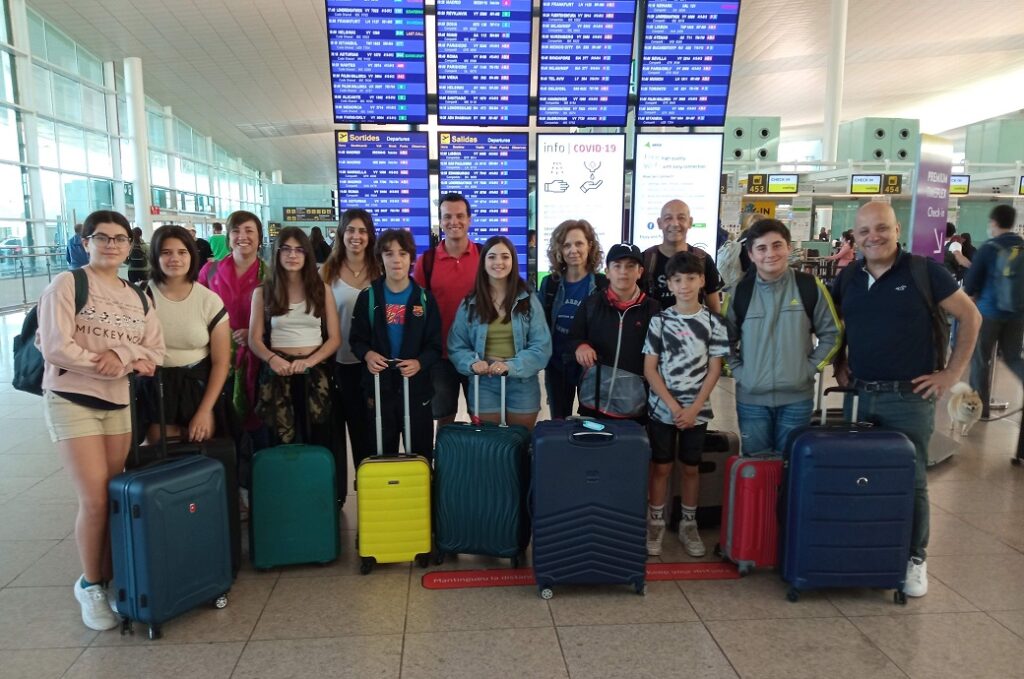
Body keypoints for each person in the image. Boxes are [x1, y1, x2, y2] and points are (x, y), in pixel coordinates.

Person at [831, 201, 980, 598]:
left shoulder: (924, 272)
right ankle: (868, 551)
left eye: (881, 228)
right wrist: (840, 361)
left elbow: (971, 317)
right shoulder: (849, 277)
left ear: (897, 230)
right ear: (855, 237)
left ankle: (915, 558)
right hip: (860, 394)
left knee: (911, 482)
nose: (873, 237)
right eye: (864, 231)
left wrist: (951, 374)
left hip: (909, 398)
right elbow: (837, 323)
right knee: (861, 476)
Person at [36, 210, 164, 631]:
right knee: (93, 501)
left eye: (119, 238)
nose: (111, 245)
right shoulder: (67, 284)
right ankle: (90, 585)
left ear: (130, 246)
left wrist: (121, 356)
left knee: (113, 497)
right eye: (102, 237)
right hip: (72, 400)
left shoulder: (138, 297)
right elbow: (55, 346)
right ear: (85, 242)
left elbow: (155, 352)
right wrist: (110, 363)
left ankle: (110, 575)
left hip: (118, 403)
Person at [725, 219, 842, 455]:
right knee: (755, 465)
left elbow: (832, 333)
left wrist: (809, 369)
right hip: (752, 401)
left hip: (797, 400)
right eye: (761, 248)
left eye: (777, 245)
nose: (770, 254)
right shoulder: (740, 292)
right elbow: (722, 341)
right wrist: (740, 372)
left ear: (788, 247)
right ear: (751, 255)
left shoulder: (810, 287)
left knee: (792, 464)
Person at [643, 251, 729, 557]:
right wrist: (673, 406)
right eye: (678, 280)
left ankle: (688, 523)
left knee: (691, 468)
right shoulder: (660, 320)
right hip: (662, 409)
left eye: (691, 278)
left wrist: (693, 409)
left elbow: (715, 369)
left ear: (702, 280)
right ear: (669, 284)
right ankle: (655, 522)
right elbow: (650, 369)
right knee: (661, 467)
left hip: (697, 411)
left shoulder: (714, 322)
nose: (685, 285)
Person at [248, 227, 340, 459]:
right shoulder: (263, 292)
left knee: (318, 438)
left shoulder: (321, 290)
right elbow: (254, 339)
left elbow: (334, 338)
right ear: (277, 253)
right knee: (280, 440)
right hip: (278, 373)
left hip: (315, 373)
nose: (292, 255)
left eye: (299, 250)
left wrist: (310, 361)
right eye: (286, 249)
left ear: (307, 254)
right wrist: (272, 359)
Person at [350, 229, 442, 458]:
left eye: (402, 253)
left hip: (416, 389)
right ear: (380, 258)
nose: (396, 260)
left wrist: (419, 363)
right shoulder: (368, 297)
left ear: (411, 258)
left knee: (420, 454)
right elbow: (357, 340)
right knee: (381, 452)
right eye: (389, 253)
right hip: (380, 388)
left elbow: (435, 346)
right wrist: (368, 355)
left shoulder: (424, 299)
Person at [138, 225, 230, 444]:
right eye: (166, 252)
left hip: (197, 389)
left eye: (182, 252)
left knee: (200, 449)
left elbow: (221, 362)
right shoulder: (139, 295)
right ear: (155, 256)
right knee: (160, 451)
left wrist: (205, 410)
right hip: (155, 389)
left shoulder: (209, 300)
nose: (175, 259)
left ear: (192, 256)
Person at [448, 236, 551, 430]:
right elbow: (456, 345)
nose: (499, 262)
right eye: (492, 257)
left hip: (523, 382)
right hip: (484, 382)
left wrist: (511, 366)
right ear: (483, 262)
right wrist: (471, 363)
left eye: (505, 256)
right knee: (489, 443)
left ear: (513, 261)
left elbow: (541, 346)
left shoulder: (528, 300)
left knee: (521, 441)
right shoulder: (470, 302)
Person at [569, 243, 661, 421]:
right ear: (607, 272)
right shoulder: (591, 304)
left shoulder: (653, 309)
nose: (623, 272)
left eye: (630, 266)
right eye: (617, 266)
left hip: (635, 406)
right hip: (593, 402)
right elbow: (574, 336)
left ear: (640, 272)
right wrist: (581, 346)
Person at [321, 208, 381, 472]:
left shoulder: (380, 271)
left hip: (372, 363)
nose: (356, 236)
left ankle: (369, 482)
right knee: (339, 430)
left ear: (370, 236)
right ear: (341, 233)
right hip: (338, 362)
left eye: (362, 231)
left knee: (368, 431)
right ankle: (340, 486)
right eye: (351, 230)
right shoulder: (327, 272)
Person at [412, 193, 480, 425]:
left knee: (482, 420)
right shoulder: (427, 261)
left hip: (478, 354)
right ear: (440, 221)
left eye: (460, 216)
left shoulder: (485, 256)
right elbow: (416, 309)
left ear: (469, 219)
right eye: (447, 216)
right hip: (440, 357)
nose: (454, 222)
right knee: (444, 420)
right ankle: (445, 451)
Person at [198, 211, 268, 435]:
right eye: (236, 231)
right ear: (228, 237)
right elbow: (197, 313)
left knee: (258, 428)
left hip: (258, 361)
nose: (242, 236)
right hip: (216, 360)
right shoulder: (209, 272)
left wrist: (255, 333)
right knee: (223, 425)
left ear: (259, 238)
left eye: (249, 231)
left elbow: (280, 317)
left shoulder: (271, 275)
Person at [537, 219, 607, 418]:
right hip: (558, 365)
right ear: (559, 249)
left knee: (592, 421)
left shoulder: (602, 285)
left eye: (579, 244)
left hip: (591, 366)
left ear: (589, 246)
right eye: (567, 245)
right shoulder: (549, 284)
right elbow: (539, 325)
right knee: (559, 420)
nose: (573, 250)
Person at [964, 205, 1024, 419]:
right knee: (1013, 357)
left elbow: (970, 283)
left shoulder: (989, 248)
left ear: (994, 222)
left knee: (981, 359)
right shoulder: (1022, 246)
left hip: (988, 313)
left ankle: (981, 410)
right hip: (1017, 314)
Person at [642, 199, 723, 313]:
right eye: (668, 218)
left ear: (690, 222)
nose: (675, 224)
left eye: (681, 218)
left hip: (695, 324)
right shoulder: (646, 260)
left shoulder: (703, 260)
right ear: (659, 223)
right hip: (653, 324)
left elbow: (714, 310)